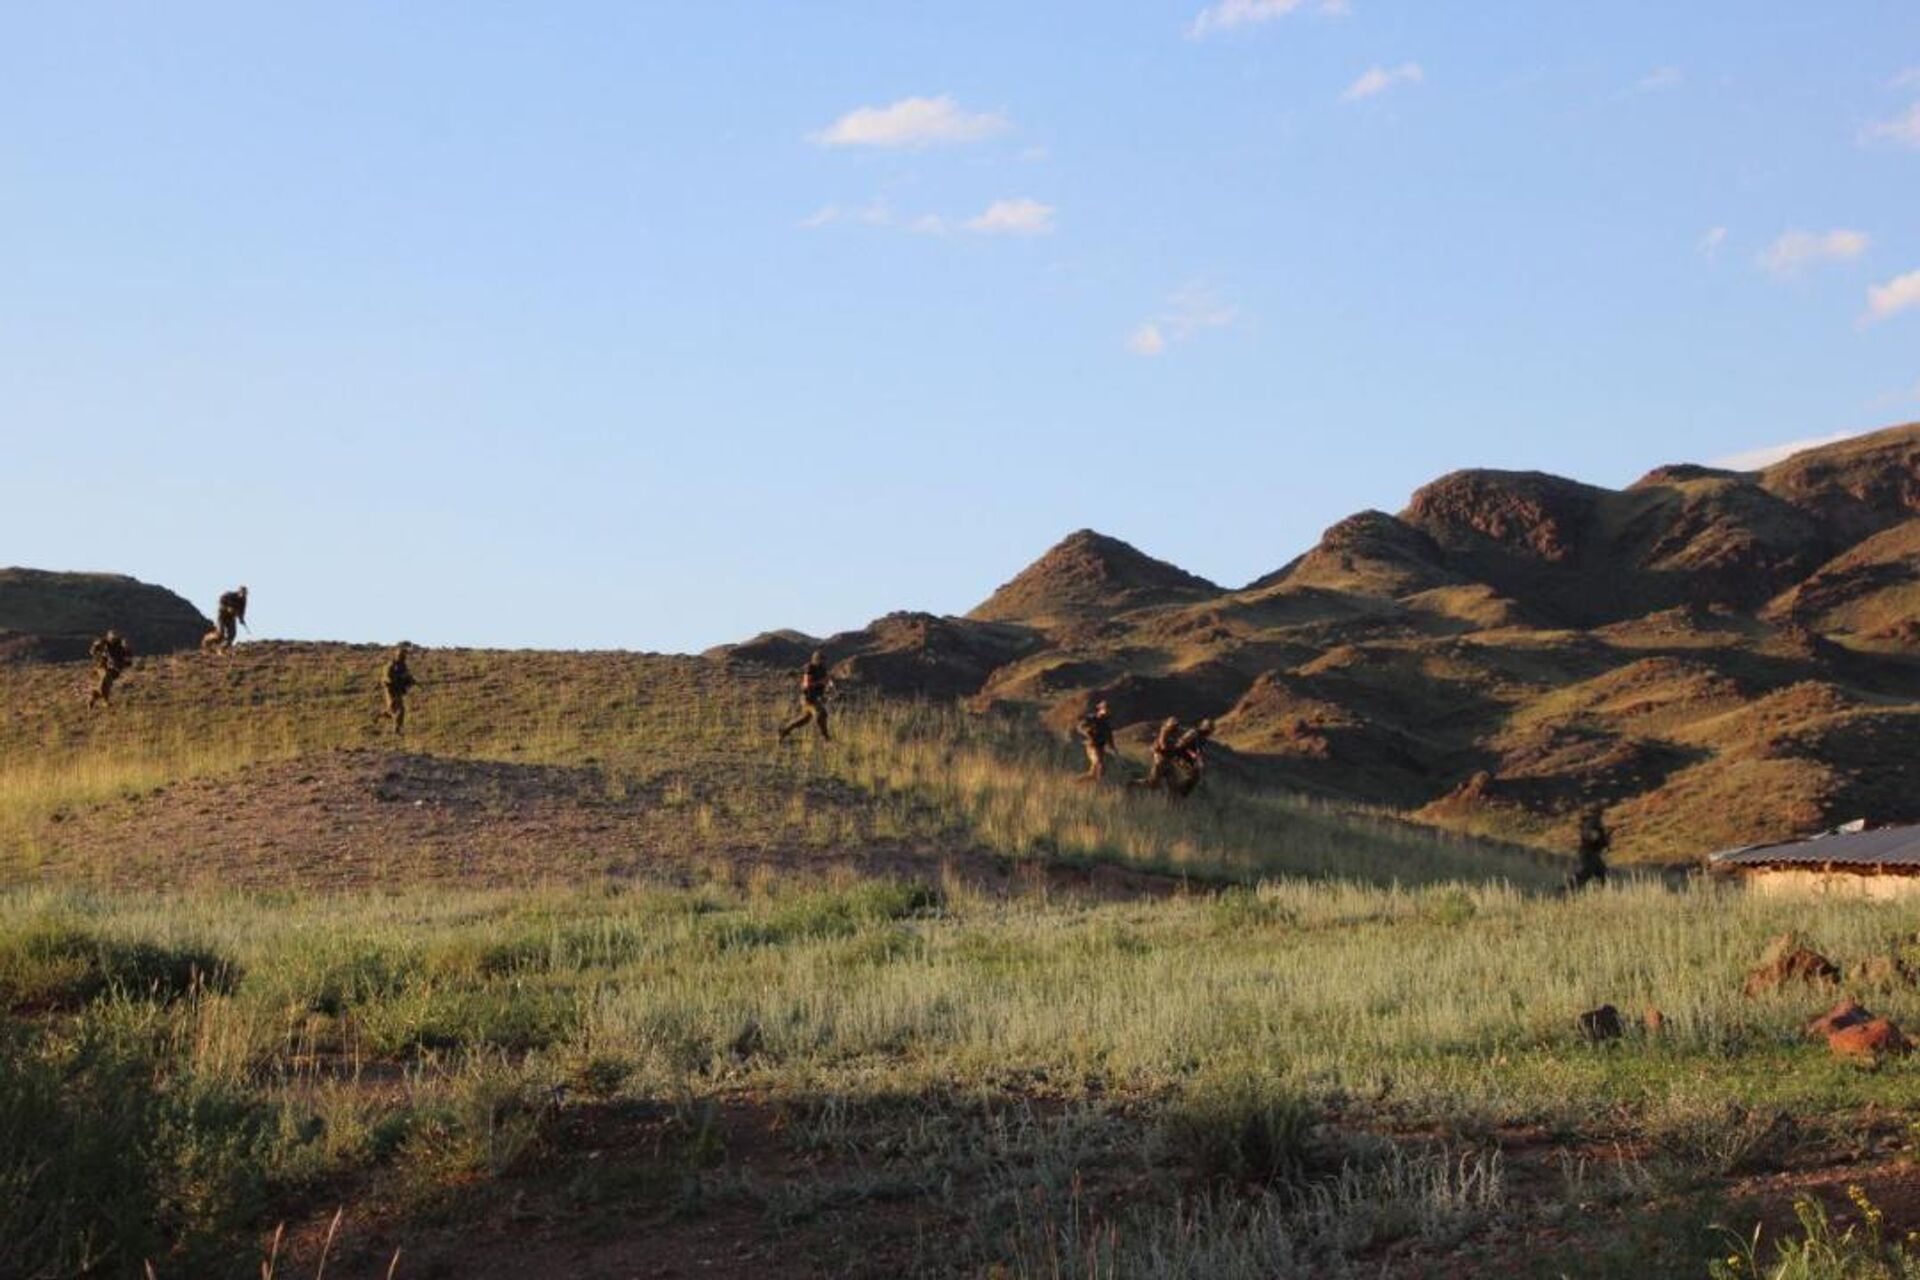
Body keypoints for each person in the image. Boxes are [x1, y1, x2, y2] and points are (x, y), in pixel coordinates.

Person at [779, 651, 834, 742]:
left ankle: (784, 730)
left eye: (824, 660)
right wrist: (821, 682)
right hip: (808, 697)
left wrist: (830, 685)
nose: (824, 662)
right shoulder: (810, 668)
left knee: (804, 719)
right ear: (816, 659)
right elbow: (806, 684)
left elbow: (827, 679)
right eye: (822, 659)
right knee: (821, 714)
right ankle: (825, 738)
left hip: (816, 697)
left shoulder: (823, 669)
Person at [1129, 717, 1184, 793]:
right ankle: (1133, 784)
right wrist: (1175, 746)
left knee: (1173, 786)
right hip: (1160, 760)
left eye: (1177, 725)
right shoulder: (1165, 732)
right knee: (1152, 783)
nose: (1176, 727)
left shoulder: (1175, 734)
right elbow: (1163, 746)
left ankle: (1172, 803)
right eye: (1174, 725)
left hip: (1168, 762)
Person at [1170, 718, 1215, 799]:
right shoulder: (1194, 733)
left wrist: (1200, 760)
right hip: (1179, 755)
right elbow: (1180, 745)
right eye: (1210, 729)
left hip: (1188, 757)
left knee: (1196, 776)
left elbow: (1199, 751)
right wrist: (1191, 753)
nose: (1210, 732)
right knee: (1193, 774)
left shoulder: (1203, 738)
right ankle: (1177, 792)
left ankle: (1181, 794)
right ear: (1205, 727)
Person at [87, 629, 134, 708]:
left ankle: (93, 698)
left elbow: (128, 659)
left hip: (115, 669)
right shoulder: (104, 643)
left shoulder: (121, 645)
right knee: (105, 679)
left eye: (114, 638)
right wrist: (96, 646)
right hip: (102, 666)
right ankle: (105, 702)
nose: (113, 640)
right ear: (108, 637)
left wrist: (127, 650)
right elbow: (92, 651)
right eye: (112, 638)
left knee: (106, 685)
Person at [1075, 698, 1116, 782]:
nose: (1107, 711)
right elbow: (1080, 727)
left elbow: (1109, 737)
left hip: (1100, 748)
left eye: (1108, 709)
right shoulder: (1092, 718)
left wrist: (1113, 748)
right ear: (1100, 709)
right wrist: (1088, 733)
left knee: (1095, 773)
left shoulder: (1106, 723)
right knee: (1099, 766)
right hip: (1092, 746)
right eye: (1106, 709)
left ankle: (1078, 782)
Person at [381, 642, 417, 735]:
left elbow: (406, 675)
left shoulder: (403, 665)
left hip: (398, 689)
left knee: (397, 709)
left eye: (405, 655)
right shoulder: (390, 665)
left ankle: (395, 727)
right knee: (397, 709)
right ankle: (395, 728)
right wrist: (400, 678)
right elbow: (388, 678)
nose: (404, 657)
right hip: (391, 689)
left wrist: (410, 680)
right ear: (397, 655)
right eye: (402, 655)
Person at [1571, 804, 1610, 890]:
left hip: (1591, 854)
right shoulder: (1593, 822)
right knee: (1584, 876)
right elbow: (1592, 837)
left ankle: (1597, 894)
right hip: (1588, 854)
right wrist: (1602, 840)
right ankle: (1566, 892)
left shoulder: (1593, 823)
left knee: (1601, 874)